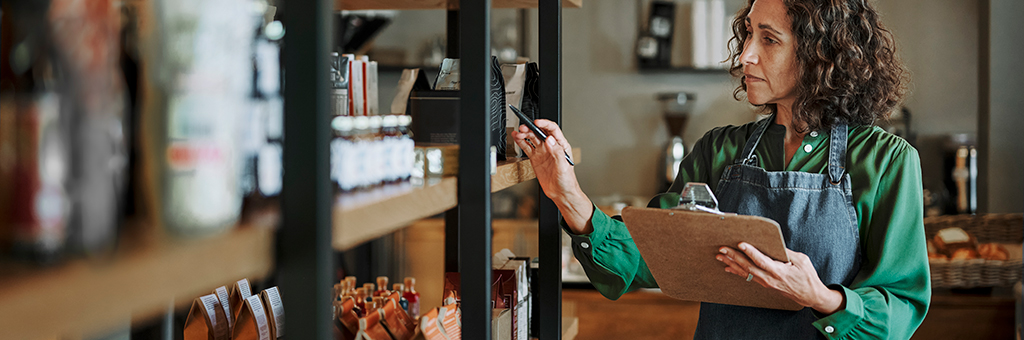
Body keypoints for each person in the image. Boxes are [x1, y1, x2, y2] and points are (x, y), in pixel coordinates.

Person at [511, 0, 929, 338]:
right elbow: (649, 256)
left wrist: (820, 296)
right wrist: (567, 194)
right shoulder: (718, 150)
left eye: (769, 39)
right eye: (748, 33)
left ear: (820, 55)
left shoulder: (887, 161)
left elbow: (902, 307)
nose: (746, 54)